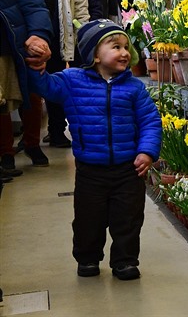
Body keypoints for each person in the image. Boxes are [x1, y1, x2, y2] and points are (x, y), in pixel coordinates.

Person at [26, 19, 161, 280]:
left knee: (128, 219)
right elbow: (44, 86)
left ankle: (125, 261)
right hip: (90, 170)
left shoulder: (134, 88)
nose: (124, 52)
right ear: (95, 55)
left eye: (125, 47)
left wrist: (146, 151)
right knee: (89, 219)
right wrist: (37, 69)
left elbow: (150, 121)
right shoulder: (71, 81)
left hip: (127, 169)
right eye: (115, 46)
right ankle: (87, 258)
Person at [25, 0, 90, 151]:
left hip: (56, 37)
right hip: (23, 38)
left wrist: (82, 34)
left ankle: (56, 131)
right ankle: (29, 140)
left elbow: (81, 5)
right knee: (25, 88)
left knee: (55, 84)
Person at [0, 0, 52, 178]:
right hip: (15, 26)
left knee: (27, 93)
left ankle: (27, 146)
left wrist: (39, 31)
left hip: (13, 29)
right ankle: (7, 152)